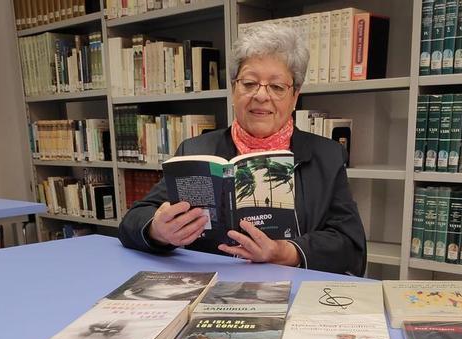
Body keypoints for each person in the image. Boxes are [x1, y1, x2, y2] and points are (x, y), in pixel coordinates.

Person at [118, 24, 367, 276]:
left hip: (291, 289)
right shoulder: (195, 151)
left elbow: (350, 245)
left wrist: (286, 252)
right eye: (249, 83)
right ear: (234, 89)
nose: (261, 96)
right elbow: (133, 220)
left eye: (277, 87)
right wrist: (156, 230)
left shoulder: (327, 156)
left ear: (294, 96)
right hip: (211, 289)